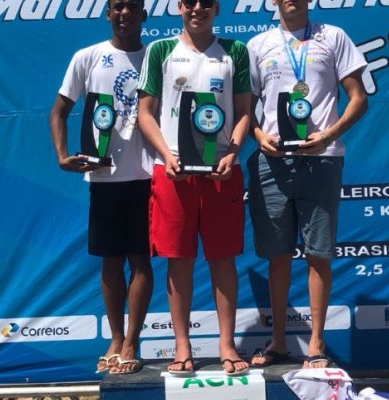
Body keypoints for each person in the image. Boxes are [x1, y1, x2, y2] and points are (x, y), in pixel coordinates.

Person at [246, 0, 368, 369]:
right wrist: (258, 136)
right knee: (278, 254)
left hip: (322, 158)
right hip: (273, 161)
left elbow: (359, 99)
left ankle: (316, 344)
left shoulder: (334, 37)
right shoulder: (258, 45)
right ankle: (279, 341)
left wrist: (329, 134)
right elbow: (245, 107)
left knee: (318, 254)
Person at [136, 0, 251, 376]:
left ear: (217, 8)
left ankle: (226, 344)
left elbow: (245, 111)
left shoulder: (235, 51)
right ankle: (182, 345)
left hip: (221, 170)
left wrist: (232, 152)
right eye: (189, 1)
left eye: (206, 2)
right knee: (178, 259)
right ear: (179, 6)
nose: (197, 8)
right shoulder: (160, 50)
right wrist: (165, 154)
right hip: (173, 171)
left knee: (223, 258)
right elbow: (145, 113)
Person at [48, 0, 153, 375]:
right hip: (104, 176)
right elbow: (58, 111)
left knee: (140, 261)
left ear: (144, 15)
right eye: (117, 7)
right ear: (108, 13)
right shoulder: (88, 57)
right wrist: (62, 155)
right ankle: (115, 337)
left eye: (132, 7)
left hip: (147, 176)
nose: (124, 13)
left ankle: (131, 341)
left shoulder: (158, 57)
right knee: (111, 261)